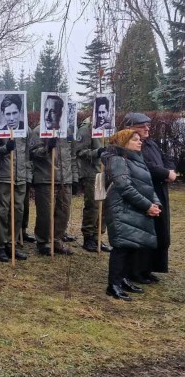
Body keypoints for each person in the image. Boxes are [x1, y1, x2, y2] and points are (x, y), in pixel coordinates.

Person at [102, 129, 160, 301]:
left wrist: (155, 203)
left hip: (135, 207)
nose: (140, 142)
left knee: (131, 245)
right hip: (121, 208)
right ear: (124, 142)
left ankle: (123, 279)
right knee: (121, 247)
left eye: (139, 139)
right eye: (135, 140)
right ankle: (113, 285)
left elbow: (147, 185)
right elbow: (124, 187)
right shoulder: (118, 160)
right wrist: (147, 205)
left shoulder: (137, 159)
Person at [123, 113, 176, 283]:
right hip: (144, 191)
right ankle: (136, 270)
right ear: (130, 128)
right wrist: (165, 173)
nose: (147, 129)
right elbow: (146, 166)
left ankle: (150, 267)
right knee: (144, 232)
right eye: (142, 126)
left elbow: (167, 158)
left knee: (159, 230)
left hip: (159, 190)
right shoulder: (131, 146)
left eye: (148, 125)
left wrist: (170, 171)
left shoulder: (151, 143)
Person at [28, 119, 79, 255]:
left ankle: (56, 240)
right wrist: (47, 148)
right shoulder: (39, 130)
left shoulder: (67, 131)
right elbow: (32, 153)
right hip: (46, 178)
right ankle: (43, 242)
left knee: (64, 212)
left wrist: (74, 177)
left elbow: (72, 156)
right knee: (46, 213)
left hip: (65, 179)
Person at [0, 126, 30, 262]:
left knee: (17, 212)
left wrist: (27, 175)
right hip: (2, 176)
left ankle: (11, 243)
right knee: (1, 212)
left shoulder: (25, 128)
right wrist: (4, 149)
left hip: (20, 177)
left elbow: (27, 154)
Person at [74, 117, 109, 252]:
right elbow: (79, 151)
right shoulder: (86, 129)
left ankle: (97, 236)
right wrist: (96, 152)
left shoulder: (108, 127)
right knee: (94, 206)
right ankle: (88, 237)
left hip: (107, 172)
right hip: (95, 173)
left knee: (104, 207)